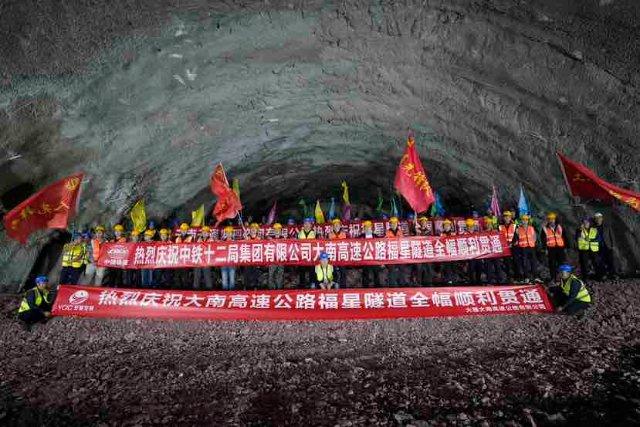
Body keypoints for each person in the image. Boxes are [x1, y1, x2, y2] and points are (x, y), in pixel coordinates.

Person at [541, 212, 567, 281]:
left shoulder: (560, 227)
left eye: (553, 219)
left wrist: (565, 247)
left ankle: (562, 278)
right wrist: (545, 249)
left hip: (560, 248)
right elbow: (543, 239)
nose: (551, 220)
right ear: (548, 220)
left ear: (555, 219)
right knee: (552, 264)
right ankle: (553, 278)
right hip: (551, 248)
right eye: (550, 219)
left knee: (561, 263)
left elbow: (564, 237)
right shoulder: (545, 229)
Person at [512, 214, 537, 283]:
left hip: (531, 247)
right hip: (523, 248)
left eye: (526, 220)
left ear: (528, 221)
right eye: (523, 220)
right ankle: (527, 277)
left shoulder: (531, 228)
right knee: (525, 263)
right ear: (521, 221)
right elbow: (515, 240)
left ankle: (535, 277)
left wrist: (533, 243)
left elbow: (534, 237)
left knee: (533, 263)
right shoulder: (518, 229)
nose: (524, 221)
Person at [385, 216, 408, 286]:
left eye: (395, 223)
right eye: (392, 223)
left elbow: (403, 242)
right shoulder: (387, 232)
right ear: (390, 224)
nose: (393, 224)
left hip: (399, 253)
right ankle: (392, 284)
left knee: (402, 268)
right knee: (391, 269)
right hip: (391, 254)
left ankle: (402, 283)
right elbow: (385, 243)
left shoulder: (400, 232)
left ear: (397, 224)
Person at [593, 212, 616, 278]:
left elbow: (611, 236)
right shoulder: (593, 228)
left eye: (599, 218)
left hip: (608, 246)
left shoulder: (607, 226)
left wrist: (613, 245)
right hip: (599, 247)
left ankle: (612, 274)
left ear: (602, 218)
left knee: (610, 260)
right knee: (601, 261)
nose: (598, 219)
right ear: (595, 219)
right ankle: (603, 274)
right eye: (596, 218)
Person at [412, 216, 433, 287]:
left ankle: (429, 282)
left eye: (425, 222)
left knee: (428, 267)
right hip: (419, 252)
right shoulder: (417, 230)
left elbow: (432, 240)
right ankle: (418, 283)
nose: (423, 223)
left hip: (427, 251)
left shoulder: (429, 231)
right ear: (420, 223)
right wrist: (415, 232)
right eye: (422, 222)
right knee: (419, 268)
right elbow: (412, 237)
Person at [361, 220, 382, 287]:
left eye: (369, 227)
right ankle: (365, 287)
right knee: (365, 273)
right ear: (364, 228)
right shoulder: (360, 237)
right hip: (365, 258)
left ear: (371, 228)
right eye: (366, 227)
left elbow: (381, 246)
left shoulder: (375, 236)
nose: (367, 229)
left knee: (376, 273)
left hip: (374, 258)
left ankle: (377, 287)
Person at [327, 218, 347, 288]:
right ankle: (333, 286)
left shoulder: (344, 234)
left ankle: (343, 287)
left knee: (343, 272)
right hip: (333, 256)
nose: (336, 226)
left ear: (340, 226)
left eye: (338, 225)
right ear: (332, 226)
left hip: (342, 255)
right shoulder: (329, 235)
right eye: (335, 225)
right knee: (333, 272)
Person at [242, 223, 262, 290]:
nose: (253, 230)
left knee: (255, 273)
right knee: (247, 272)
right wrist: (245, 239)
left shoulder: (259, 238)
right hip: (248, 258)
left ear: (257, 230)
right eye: (252, 229)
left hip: (256, 259)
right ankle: (246, 286)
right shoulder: (247, 237)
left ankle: (255, 286)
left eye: (255, 229)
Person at [498, 211, 517, 280]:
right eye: (505, 217)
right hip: (505, 247)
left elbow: (516, 235)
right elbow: (499, 237)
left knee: (515, 261)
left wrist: (513, 243)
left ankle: (517, 276)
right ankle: (509, 277)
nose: (506, 218)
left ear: (510, 218)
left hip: (513, 246)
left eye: (508, 217)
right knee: (507, 262)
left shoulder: (514, 225)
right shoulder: (500, 227)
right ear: (503, 218)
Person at [297, 217, 316, 287]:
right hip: (302, 255)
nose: (307, 225)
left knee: (312, 270)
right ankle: (302, 284)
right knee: (302, 270)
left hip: (311, 255)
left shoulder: (314, 233)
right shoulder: (299, 234)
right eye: (305, 223)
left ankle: (312, 283)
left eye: (308, 223)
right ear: (303, 225)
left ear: (311, 225)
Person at [464, 218, 483, 284]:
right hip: (470, 255)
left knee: (479, 267)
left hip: (478, 254)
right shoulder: (464, 234)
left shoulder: (477, 233)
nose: (470, 228)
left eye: (472, 226)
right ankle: (472, 281)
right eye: (469, 226)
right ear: (466, 227)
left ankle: (478, 280)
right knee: (471, 268)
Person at [439, 219, 457, 284]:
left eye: (448, 225)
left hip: (453, 253)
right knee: (447, 267)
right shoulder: (441, 234)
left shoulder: (453, 233)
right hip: (445, 253)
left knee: (454, 266)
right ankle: (448, 280)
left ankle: (455, 280)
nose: (446, 227)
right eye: (445, 226)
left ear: (450, 226)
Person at [267, 223, 285, 289]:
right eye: (275, 230)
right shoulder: (270, 238)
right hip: (272, 259)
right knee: (271, 274)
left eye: (279, 230)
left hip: (281, 259)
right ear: (273, 231)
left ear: (281, 231)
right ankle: (271, 289)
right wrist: (268, 240)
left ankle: (279, 289)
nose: (277, 231)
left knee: (280, 275)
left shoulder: (284, 239)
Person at [220, 225, 237, 290]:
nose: (229, 234)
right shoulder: (222, 242)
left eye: (230, 232)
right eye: (227, 232)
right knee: (224, 279)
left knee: (232, 278)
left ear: (232, 233)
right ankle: (225, 293)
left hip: (232, 263)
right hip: (224, 263)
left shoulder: (235, 242)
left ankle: (231, 293)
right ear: (225, 233)